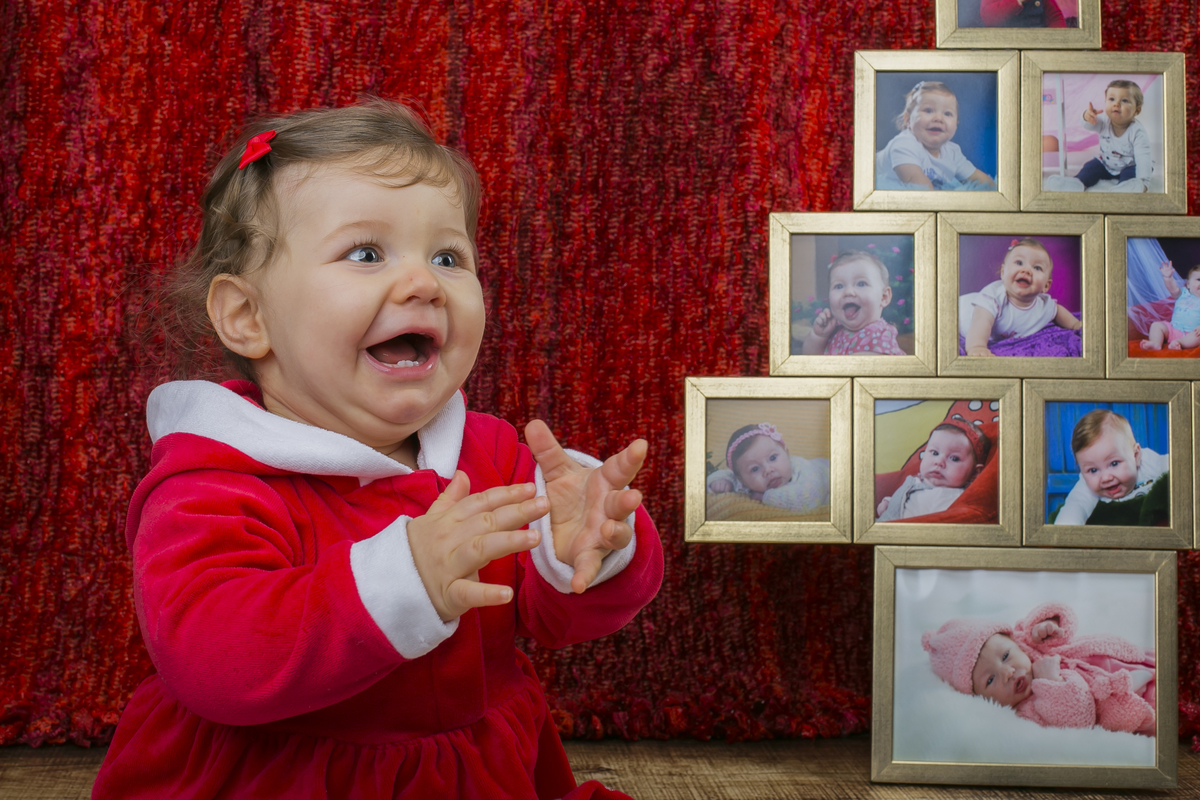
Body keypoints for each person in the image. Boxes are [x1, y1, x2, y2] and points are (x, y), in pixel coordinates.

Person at [91, 100, 663, 800]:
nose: (423, 282)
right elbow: (215, 663)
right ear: (247, 317)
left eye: (449, 257)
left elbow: (556, 618)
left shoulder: (491, 453)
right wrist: (404, 577)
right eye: (366, 254)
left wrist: (584, 553)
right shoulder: (211, 480)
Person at [923, 601, 1156, 736]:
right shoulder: (1028, 711)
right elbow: (1077, 721)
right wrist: (1051, 681)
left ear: (1013, 640)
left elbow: (1064, 616)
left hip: (1135, 657)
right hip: (1136, 698)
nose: (1007, 672)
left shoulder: (1029, 641)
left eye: (1005, 656)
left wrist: (1048, 625)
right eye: (990, 680)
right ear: (979, 697)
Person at [958, 238, 1082, 357]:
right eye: (1019, 263)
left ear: (1046, 286)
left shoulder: (1043, 306)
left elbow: (1057, 310)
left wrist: (1075, 324)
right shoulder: (993, 297)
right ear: (1003, 272)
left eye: (1037, 267)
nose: (1026, 270)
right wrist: (977, 346)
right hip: (960, 313)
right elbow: (981, 321)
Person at [1052, 409, 1168, 526]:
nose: (1106, 478)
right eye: (1093, 470)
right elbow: (1075, 506)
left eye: (1114, 463)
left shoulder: (1149, 462)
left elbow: (1179, 467)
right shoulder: (1086, 486)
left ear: (1136, 456)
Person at [876, 80, 995, 191]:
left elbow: (980, 180)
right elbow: (919, 187)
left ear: (956, 124)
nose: (938, 118)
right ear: (908, 120)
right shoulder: (904, 145)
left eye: (947, 113)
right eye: (928, 111)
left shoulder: (952, 152)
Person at [876, 419, 989, 521]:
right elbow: (906, 498)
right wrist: (888, 502)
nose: (939, 462)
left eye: (954, 458)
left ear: (975, 473)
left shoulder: (953, 497)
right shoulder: (916, 481)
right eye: (935, 453)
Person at [706, 422, 831, 513]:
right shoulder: (743, 479)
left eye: (772, 458)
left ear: (786, 453)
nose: (768, 470)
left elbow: (808, 499)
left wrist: (766, 497)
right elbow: (729, 474)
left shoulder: (805, 471)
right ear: (742, 479)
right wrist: (720, 481)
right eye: (755, 469)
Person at [803, 251, 905, 356]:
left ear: (884, 297)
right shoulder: (834, 332)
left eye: (861, 284)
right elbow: (810, 359)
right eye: (839, 286)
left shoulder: (881, 335)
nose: (848, 292)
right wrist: (818, 336)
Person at [1073, 80, 1153, 191]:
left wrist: (1144, 183)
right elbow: (1090, 125)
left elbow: (1144, 158)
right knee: (1090, 167)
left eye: (1124, 100)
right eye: (1111, 99)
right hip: (1106, 165)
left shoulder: (1137, 132)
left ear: (1137, 110)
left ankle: (1124, 189)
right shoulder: (1103, 122)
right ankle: (1076, 183)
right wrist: (1087, 117)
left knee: (1131, 177)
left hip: (1129, 166)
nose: (1116, 104)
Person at [1139, 261, 1200, 351]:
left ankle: (1179, 343)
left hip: (1191, 334)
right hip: (1172, 329)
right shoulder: (1182, 293)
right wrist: (1168, 278)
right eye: (1199, 279)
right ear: (1188, 284)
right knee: (1156, 325)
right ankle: (1155, 343)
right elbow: (1172, 289)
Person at [980, 0, 1066, 28]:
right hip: (1004, 46)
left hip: (1037, 44)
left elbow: (1055, 17)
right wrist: (1017, 2)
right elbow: (988, 17)